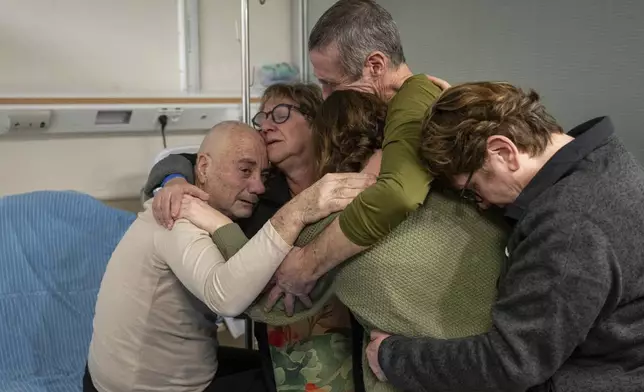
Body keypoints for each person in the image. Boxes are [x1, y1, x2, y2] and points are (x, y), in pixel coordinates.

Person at [185, 88, 509, 392]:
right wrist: (171, 178)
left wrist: (213, 222)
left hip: (397, 368)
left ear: (319, 132)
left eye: (280, 113)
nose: (266, 126)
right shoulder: (470, 198)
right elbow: (199, 163)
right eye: (263, 117)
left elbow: (256, 292)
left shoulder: (334, 221)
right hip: (490, 369)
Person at [367, 81, 644, 392]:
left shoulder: (570, 228)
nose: (482, 204)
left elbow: (510, 363)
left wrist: (392, 357)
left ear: (503, 151)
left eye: (472, 190)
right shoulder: (602, 158)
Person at [84, 121, 373, 392]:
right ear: (205, 168)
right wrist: (297, 212)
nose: (258, 187)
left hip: (159, 367)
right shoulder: (177, 215)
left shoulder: (218, 206)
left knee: (271, 370)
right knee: (287, 382)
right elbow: (226, 297)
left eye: (263, 175)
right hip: (140, 385)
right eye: (245, 171)